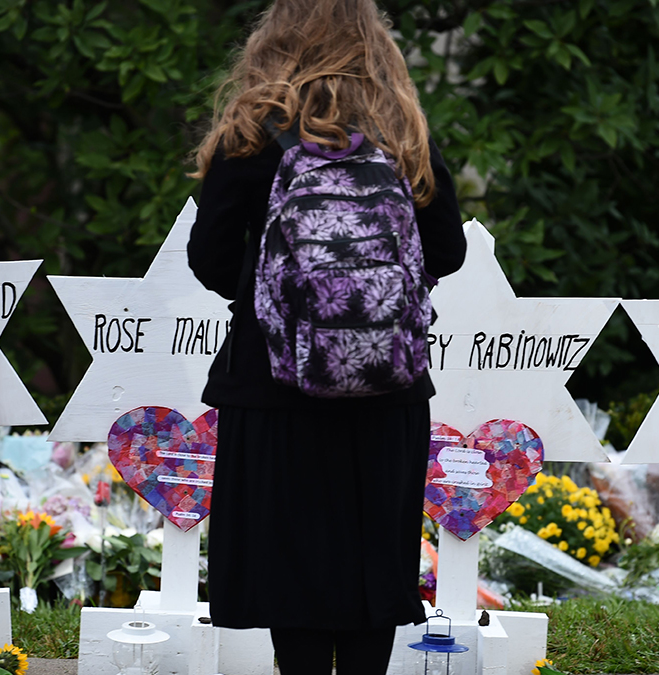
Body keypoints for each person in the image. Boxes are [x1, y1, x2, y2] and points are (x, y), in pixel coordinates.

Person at [186, 1, 465, 673]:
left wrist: (290, 297)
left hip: (274, 389)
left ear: (273, 41)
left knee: (294, 580)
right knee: (373, 576)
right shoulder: (400, 134)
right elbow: (448, 250)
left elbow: (211, 260)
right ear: (375, 46)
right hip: (387, 387)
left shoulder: (253, 134)